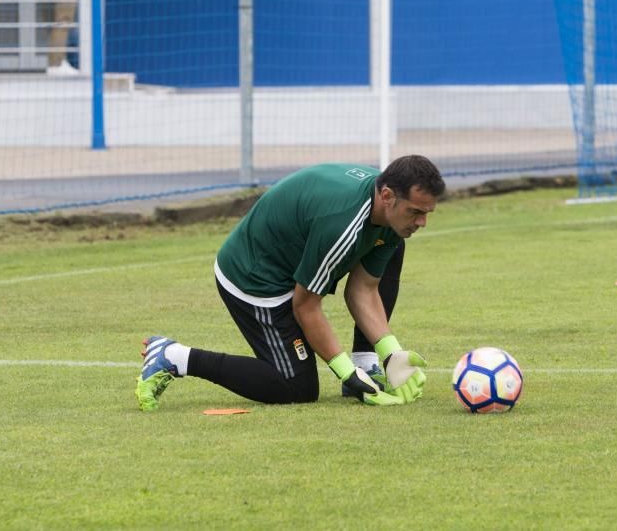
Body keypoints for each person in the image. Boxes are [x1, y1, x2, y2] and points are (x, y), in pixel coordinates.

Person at [135, 155, 446, 409]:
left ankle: (367, 363)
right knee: (295, 386)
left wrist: (392, 354)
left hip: (292, 260)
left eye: (427, 213)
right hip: (255, 278)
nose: (422, 222)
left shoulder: (387, 208)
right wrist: (347, 375)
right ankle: (173, 356)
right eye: (415, 212)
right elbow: (306, 306)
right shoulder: (341, 225)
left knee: (393, 244)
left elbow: (363, 289)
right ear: (388, 196)